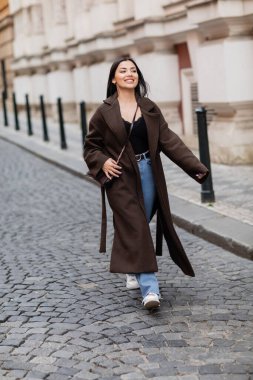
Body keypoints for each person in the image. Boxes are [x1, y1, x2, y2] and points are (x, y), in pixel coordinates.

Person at [83, 57, 208, 309]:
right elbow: (91, 147)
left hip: (149, 171)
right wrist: (103, 162)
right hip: (120, 177)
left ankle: (132, 265)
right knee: (136, 224)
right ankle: (150, 290)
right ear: (113, 79)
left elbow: (169, 140)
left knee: (141, 219)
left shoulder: (149, 108)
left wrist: (197, 168)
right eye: (123, 70)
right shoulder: (104, 112)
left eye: (133, 70)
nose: (129, 74)